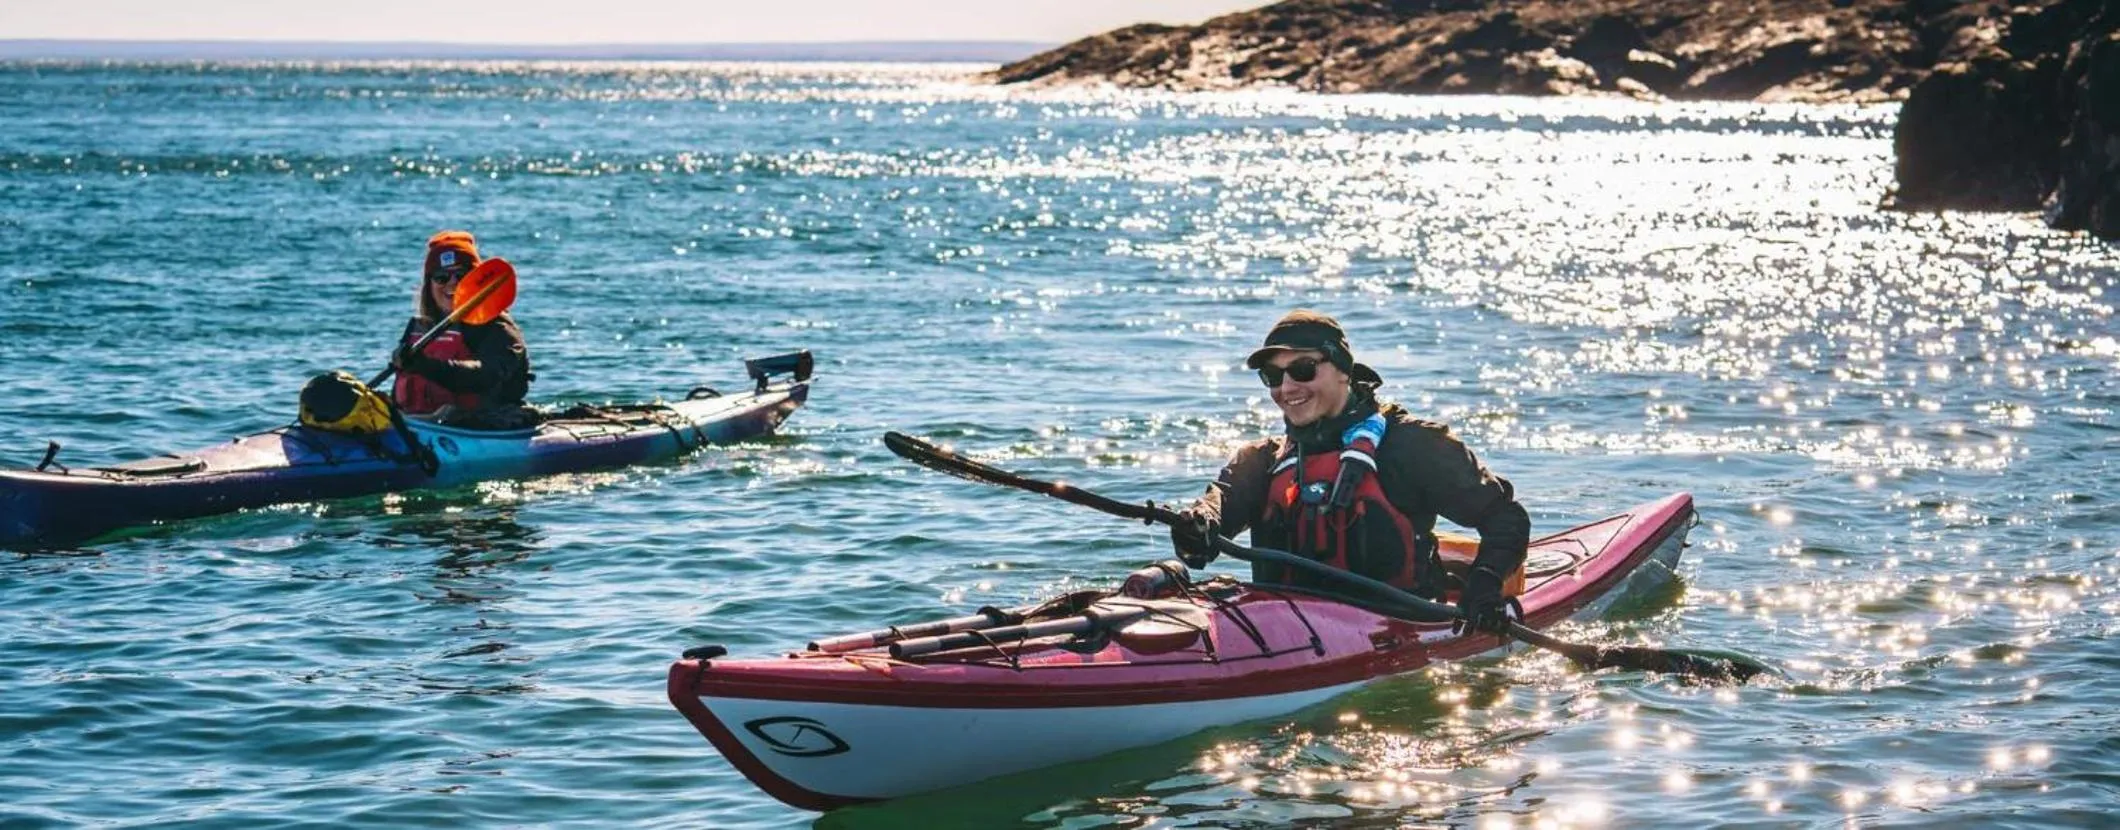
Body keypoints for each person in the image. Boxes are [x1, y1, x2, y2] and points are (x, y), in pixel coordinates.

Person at [1170, 309, 1531, 633]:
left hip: (1399, 627)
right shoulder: (1262, 459)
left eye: (1302, 369)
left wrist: (1485, 585)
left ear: (1343, 371)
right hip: (1282, 631)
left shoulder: (1412, 445)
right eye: (1273, 376)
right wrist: (1195, 529)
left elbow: (1506, 518)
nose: (1287, 387)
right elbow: (1216, 511)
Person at [389, 230, 534, 428]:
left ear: (477, 281)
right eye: (441, 277)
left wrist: (425, 365)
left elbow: (485, 375)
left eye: (461, 275)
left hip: (481, 427)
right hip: (418, 425)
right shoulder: (419, 329)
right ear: (429, 285)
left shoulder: (499, 328)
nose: (452, 283)